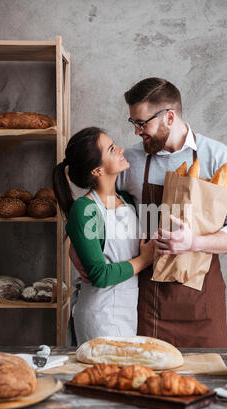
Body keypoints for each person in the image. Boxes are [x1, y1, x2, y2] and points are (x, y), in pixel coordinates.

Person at [117, 77, 227, 348]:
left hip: (201, 301)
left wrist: (194, 243)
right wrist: (76, 246)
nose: (137, 132)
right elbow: (96, 207)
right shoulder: (129, 161)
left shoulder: (218, 157)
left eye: (142, 124)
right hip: (146, 299)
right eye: (133, 123)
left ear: (169, 117)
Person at [52, 127, 154, 345]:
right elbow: (100, 275)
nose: (121, 149)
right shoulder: (86, 209)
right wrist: (145, 259)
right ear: (97, 170)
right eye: (111, 149)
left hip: (127, 312)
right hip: (100, 317)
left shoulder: (125, 200)